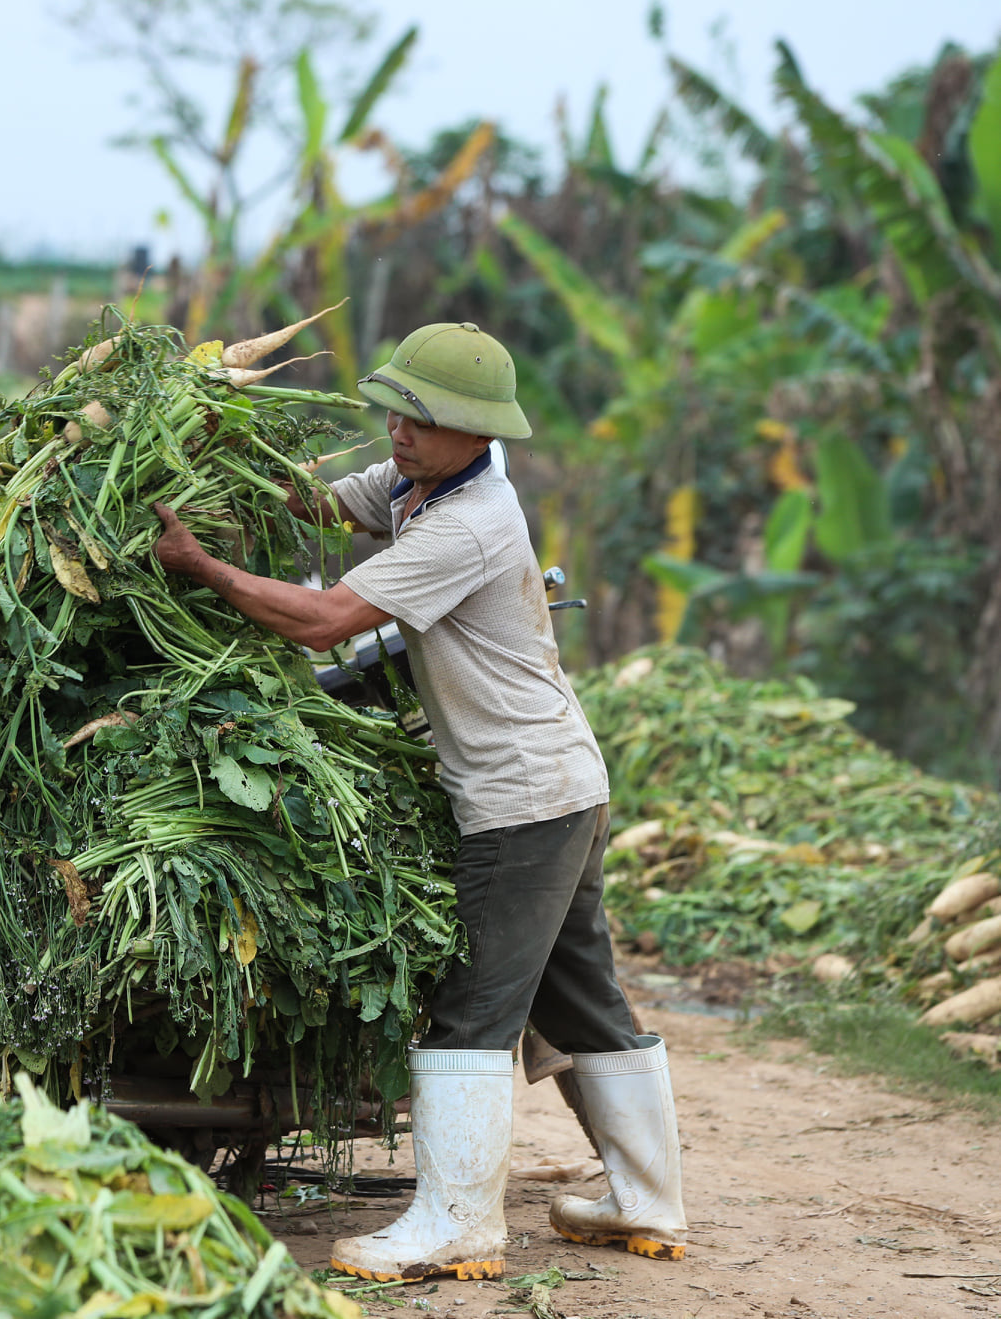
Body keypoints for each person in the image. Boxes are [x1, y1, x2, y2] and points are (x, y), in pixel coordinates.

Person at [149, 322, 687, 1283]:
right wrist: (206, 441)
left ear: (475, 431)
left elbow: (324, 623)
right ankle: (645, 1196)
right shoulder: (416, 483)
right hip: (563, 782)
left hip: (522, 799)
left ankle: (457, 1220)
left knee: (475, 1005)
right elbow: (312, 502)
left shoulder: (470, 523)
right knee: (583, 997)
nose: (398, 428)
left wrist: (203, 568)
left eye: (421, 416)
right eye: (396, 407)